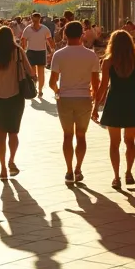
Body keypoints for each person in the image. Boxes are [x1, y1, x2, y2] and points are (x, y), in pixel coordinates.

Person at [93, 30, 135, 189]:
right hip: (132, 102)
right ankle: (129, 172)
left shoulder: (108, 61)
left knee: (114, 143)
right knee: (130, 141)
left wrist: (95, 107)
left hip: (114, 102)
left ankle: (116, 177)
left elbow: (103, 87)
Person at [49, 21, 101, 183]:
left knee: (67, 136)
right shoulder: (91, 55)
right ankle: (78, 168)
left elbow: (52, 82)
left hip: (65, 98)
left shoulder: (59, 55)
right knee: (81, 136)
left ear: (65, 34)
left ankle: (69, 171)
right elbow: (96, 83)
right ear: (82, 35)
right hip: (84, 97)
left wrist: (58, 92)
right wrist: (94, 99)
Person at [0, 26, 32, 180]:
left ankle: (2, 167)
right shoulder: (18, 51)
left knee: (0, 133)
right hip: (16, 96)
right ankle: (11, 161)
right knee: (14, 132)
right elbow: (31, 72)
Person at [20, 12, 54, 98]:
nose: (35, 21)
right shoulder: (27, 29)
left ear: (40, 20)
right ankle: (33, 86)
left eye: (37, 20)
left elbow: (49, 40)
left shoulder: (44, 29)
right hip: (31, 51)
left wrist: (52, 50)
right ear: (31, 19)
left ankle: (40, 90)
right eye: (33, 20)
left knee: (41, 72)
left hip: (41, 51)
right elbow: (23, 40)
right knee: (32, 72)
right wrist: (23, 49)